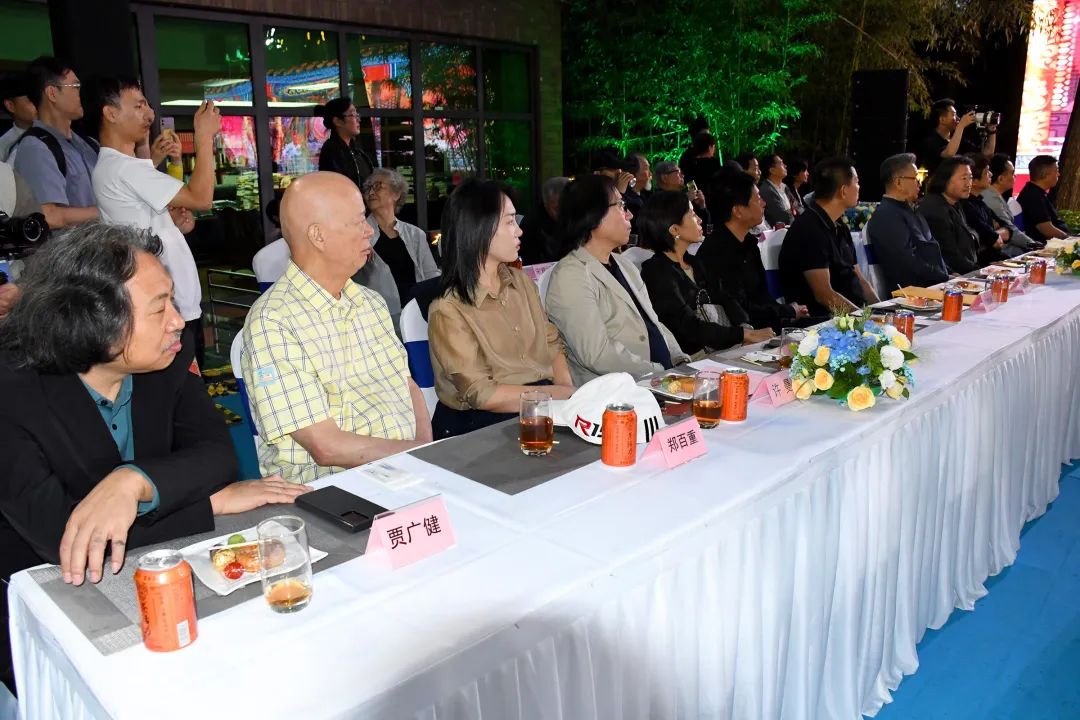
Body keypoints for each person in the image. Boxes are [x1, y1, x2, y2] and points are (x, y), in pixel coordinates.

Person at [0, 222, 309, 694]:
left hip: (148, 569)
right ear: (92, 320)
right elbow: (66, 540)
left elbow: (216, 455)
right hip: (36, 597)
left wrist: (134, 482)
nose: (178, 321)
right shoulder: (12, 391)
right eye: (159, 307)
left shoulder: (166, 359)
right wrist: (209, 505)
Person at [242, 172, 433, 484]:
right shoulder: (273, 321)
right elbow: (325, 447)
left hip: (404, 470)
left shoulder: (370, 302)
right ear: (318, 236)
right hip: (331, 488)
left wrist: (424, 450)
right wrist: (416, 455)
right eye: (357, 221)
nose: (369, 230)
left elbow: (406, 385)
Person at [427, 179, 575, 438]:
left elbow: (552, 343)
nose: (519, 231)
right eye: (509, 222)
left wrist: (567, 393)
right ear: (479, 229)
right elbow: (482, 394)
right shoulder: (448, 309)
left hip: (541, 405)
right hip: (479, 426)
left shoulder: (520, 282)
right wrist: (559, 395)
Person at [91, 77, 219, 371]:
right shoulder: (122, 168)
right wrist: (203, 137)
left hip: (166, 302)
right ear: (110, 113)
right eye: (138, 106)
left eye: (148, 106)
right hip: (165, 306)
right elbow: (202, 197)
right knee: (184, 387)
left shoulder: (119, 166)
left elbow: (142, 226)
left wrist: (171, 225)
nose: (149, 114)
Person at [546, 174, 688, 384]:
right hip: (616, 391)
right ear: (594, 215)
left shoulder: (624, 265)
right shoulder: (570, 275)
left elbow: (653, 323)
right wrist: (657, 372)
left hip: (659, 380)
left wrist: (678, 359)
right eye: (621, 206)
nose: (630, 214)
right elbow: (597, 353)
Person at [638, 191, 774, 356]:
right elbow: (687, 326)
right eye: (692, 215)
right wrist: (742, 335)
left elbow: (724, 297)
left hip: (720, 346)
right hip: (691, 357)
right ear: (674, 229)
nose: (700, 219)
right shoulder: (657, 272)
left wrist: (745, 326)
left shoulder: (694, 263)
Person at [696, 169, 811, 332]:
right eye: (758, 198)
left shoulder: (749, 243)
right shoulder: (717, 252)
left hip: (770, 324)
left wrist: (788, 311)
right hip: (747, 333)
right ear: (738, 211)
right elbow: (741, 309)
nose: (764, 203)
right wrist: (788, 311)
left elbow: (762, 295)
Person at [778, 158, 880, 314]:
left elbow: (859, 278)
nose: (859, 187)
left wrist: (883, 312)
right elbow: (824, 295)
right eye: (856, 182)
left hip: (853, 316)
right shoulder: (809, 229)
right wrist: (865, 321)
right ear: (843, 190)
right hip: (825, 321)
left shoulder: (839, 226)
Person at [12, 57, 99, 229]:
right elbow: (48, 215)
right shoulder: (35, 148)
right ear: (52, 93)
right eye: (75, 86)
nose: (80, 93)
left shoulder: (89, 144)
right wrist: (105, 212)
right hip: (71, 246)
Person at [864, 153, 949, 289]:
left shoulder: (909, 210)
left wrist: (948, 274)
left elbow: (931, 248)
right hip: (912, 293)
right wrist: (944, 277)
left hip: (935, 283)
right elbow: (907, 261)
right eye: (915, 178)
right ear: (898, 182)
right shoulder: (886, 216)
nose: (919, 182)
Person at [362, 167, 440, 305]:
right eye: (368, 188)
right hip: (377, 312)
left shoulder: (415, 235)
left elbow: (431, 275)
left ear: (396, 194)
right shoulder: (360, 234)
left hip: (414, 311)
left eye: (378, 186)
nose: (371, 192)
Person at [917, 156, 984, 274]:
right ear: (945, 179)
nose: (968, 184)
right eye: (963, 178)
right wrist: (982, 272)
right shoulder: (934, 209)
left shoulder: (955, 203)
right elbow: (950, 255)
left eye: (970, 178)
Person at [917, 98, 996, 176]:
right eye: (954, 115)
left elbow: (987, 154)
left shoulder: (958, 139)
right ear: (942, 119)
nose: (958, 118)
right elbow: (949, 154)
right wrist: (961, 126)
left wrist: (992, 130)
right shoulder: (930, 141)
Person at [982, 153, 1040, 252]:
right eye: (1012, 173)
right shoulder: (990, 198)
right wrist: (1033, 245)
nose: (1015, 176)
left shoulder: (995, 195)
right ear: (1001, 179)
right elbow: (1010, 229)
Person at [960, 153, 1012, 260]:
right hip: (982, 262)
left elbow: (1008, 229)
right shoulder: (966, 205)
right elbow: (991, 239)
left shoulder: (980, 202)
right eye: (986, 172)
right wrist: (994, 235)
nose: (991, 174)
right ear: (974, 181)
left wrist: (994, 234)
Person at [315, 97, 374, 191]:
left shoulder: (355, 149)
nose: (358, 119)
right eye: (353, 114)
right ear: (338, 121)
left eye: (357, 114)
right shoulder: (332, 151)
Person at [1017, 155, 1072, 244]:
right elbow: (1046, 229)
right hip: (1046, 246)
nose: (1058, 174)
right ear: (1045, 174)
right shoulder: (1033, 196)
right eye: (1056, 171)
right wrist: (1071, 240)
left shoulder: (1037, 193)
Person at [519, 175, 567, 264]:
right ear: (546, 203)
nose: (563, 212)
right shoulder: (531, 224)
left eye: (567, 206)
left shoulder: (577, 218)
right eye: (556, 208)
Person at [655, 159, 711, 230]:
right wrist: (686, 201)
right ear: (664, 178)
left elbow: (704, 226)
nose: (683, 175)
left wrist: (702, 206)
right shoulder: (657, 201)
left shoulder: (683, 196)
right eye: (678, 172)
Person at [0, 72, 35, 162]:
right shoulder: (4, 146)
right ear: (10, 106)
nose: (39, 103)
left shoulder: (60, 131)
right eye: (31, 99)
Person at [759, 153, 794, 227]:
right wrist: (793, 212)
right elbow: (782, 217)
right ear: (772, 170)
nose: (785, 166)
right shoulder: (767, 190)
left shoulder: (784, 187)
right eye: (781, 163)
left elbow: (798, 207)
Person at [623, 152, 651, 233]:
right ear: (633, 173)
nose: (650, 174)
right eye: (646, 168)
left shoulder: (643, 197)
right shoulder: (627, 200)